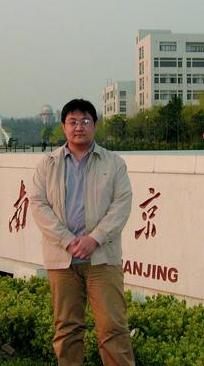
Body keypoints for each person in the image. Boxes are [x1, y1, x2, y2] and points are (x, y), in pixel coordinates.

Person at [31, 99, 135, 366]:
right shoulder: (48, 164)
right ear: (64, 127)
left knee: (113, 328)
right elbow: (39, 205)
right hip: (62, 261)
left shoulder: (114, 163)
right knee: (67, 328)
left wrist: (94, 239)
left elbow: (121, 205)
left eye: (85, 121)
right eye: (73, 122)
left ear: (94, 125)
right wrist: (68, 241)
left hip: (102, 260)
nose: (79, 127)